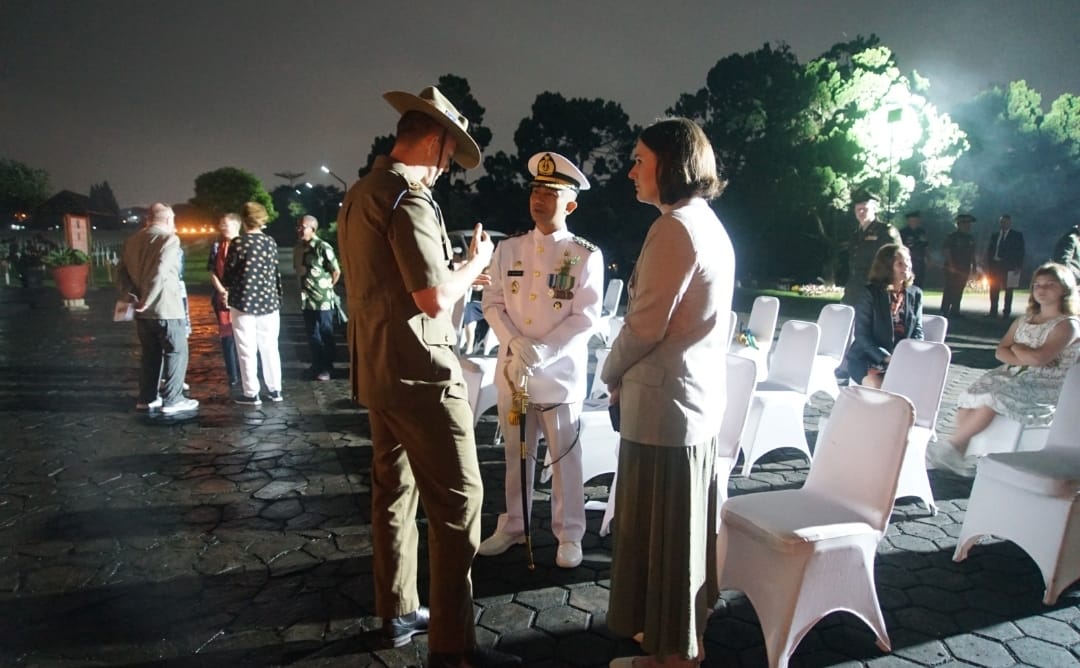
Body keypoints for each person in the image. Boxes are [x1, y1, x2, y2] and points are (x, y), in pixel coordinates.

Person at [336, 85, 519, 668]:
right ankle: (453, 648)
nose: (448, 169)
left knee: (394, 491)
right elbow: (434, 298)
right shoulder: (406, 198)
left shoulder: (360, 193)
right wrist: (474, 265)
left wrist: (458, 273)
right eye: (450, 156)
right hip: (421, 374)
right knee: (461, 503)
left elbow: (390, 283)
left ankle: (398, 610)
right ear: (436, 140)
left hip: (376, 368)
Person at [603, 118, 733, 668]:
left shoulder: (675, 228)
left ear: (671, 164)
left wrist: (607, 372)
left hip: (665, 411)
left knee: (664, 539)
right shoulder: (702, 222)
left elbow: (644, 325)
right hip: (686, 406)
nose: (631, 170)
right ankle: (678, 639)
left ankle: (674, 656)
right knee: (679, 537)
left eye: (640, 159)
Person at [477, 151, 603, 569]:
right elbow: (493, 301)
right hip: (514, 372)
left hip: (558, 375)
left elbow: (586, 317)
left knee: (565, 459)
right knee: (516, 455)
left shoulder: (584, 255)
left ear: (571, 205)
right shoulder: (509, 249)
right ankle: (514, 524)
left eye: (551, 192)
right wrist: (515, 343)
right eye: (535, 189)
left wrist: (543, 351)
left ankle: (570, 533)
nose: (539, 198)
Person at [927, 262, 1080, 476]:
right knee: (971, 393)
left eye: (1050, 284)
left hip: (1044, 383)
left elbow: (1039, 359)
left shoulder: (1067, 325)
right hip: (1012, 373)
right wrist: (1023, 353)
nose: (1042, 289)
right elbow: (1000, 351)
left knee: (994, 396)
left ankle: (953, 446)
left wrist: (1016, 348)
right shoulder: (1025, 320)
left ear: (1064, 289)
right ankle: (960, 450)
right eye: (1037, 285)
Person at [115, 203, 198, 415]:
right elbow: (160, 271)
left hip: (142, 312)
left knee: (150, 354)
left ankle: (147, 397)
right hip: (166, 307)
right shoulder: (169, 239)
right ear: (169, 220)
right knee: (176, 350)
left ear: (148, 219)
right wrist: (148, 299)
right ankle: (173, 399)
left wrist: (132, 297)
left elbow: (121, 272)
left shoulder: (132, 240)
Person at [223, 201, 284, 406]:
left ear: (243, 220)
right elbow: (275, 273)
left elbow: (228, 275)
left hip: (243, 302)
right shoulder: (270, 242)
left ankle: (251, 393)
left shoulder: (239, 243)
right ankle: (275, 389)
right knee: (270, 347)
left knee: (246, 348)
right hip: (268, 302)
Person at [843, 244, 924, 388]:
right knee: (877, 384)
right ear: (887, 267)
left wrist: (910, 354)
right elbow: (862, 335)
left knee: (919, 382)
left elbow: (917, 330)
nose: (907, 266)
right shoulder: (870, 293)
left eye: (908, 260)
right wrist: (886, 358)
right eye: (900, 263)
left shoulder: (915, 293)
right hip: (867, 357)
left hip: (901, 359)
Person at [294, 215, 341, 381]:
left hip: (322, 300)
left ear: (312, 228)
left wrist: (326, 288)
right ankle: (316, 365)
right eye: (298, 227)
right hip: (306, 299)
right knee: (312, 334)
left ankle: (327, 367)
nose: (299, 230)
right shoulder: (299, 248)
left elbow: (336, 271)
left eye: (302, 227)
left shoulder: (322, 247)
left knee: (325, 333)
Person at [841, 190, 901, 306]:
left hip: (875, 290)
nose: (861, 212)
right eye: (858, 209)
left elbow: (897, 261)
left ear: (874, 209)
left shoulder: (885, 232)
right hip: (854, 290)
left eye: (865, 208)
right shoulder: (855, 234)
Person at [208, 213, 241, 386]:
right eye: (221, 224)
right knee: (227, 337)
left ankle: (247, 372)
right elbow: (212, 270)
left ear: (236, 225)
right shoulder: (216, 246)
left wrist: (233, 292)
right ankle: (233, 374)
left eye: (225, 224)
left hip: (241, 297)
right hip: (222, 298)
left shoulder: (244, 245)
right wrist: (222, 291)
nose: (222, 227)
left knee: (243, 335)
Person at [986, 214, 1026, 318]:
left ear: (1009, 223)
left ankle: (1006, 311)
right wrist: (989, 264)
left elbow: (1020, 252)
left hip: (1010, 266)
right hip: (995, 265)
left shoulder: (1016, 236)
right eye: (1002, 222)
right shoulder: (995, 235)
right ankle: (993, 310)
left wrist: (1018, 266)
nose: (1003, 224)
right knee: (994, 288)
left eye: (1005, 222)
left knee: (1009, 289)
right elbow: (990, 250)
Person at [941, 213, 977, 318]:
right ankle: (945, 309)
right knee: (949, 288)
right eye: (966, 223)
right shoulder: (952, 237)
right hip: (952, 267)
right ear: (959, 224)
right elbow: (946, 251)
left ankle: (955, 310)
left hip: (964, 267)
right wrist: (951, 264)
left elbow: (972, 253)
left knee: (959, 289)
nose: (968, 225)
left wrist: (974, 266)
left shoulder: (970, 238)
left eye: (969, 223)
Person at [898, 210, 929, 288]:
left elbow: (925, 246)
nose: (914, 222)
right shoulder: (903, 232)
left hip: (919, 260)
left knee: (919, 281)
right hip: (907, 260)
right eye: (912, 220)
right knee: (906, 280)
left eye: (916, 220)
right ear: (908, 221)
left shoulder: (921, 232)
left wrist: (929, 258)